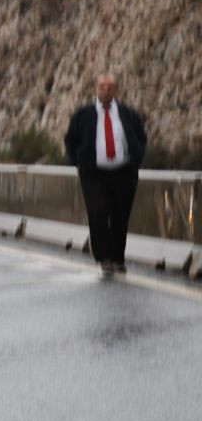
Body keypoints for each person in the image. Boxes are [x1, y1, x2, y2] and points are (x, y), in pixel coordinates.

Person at [64, 74, 148, 274]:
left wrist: (136, 159)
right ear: (96, 89)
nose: (106, 90)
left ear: (116, 90)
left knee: (120, 217)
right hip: (94, 174)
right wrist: (77, 162)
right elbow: (70, 140)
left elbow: (141, 137)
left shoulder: (127, 114)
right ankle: (103, 257)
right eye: (102, 86)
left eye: (110, 87)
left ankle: (118, 259)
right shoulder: (84, 114)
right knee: (99, 213)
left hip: (124, 173)